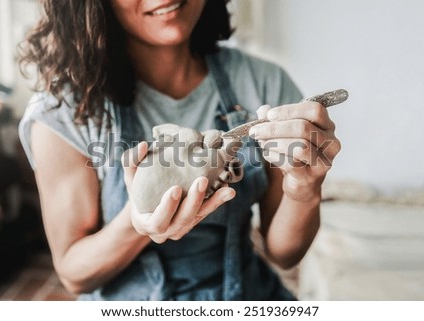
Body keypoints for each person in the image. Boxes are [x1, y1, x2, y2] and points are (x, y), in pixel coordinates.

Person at [18, 0, 340, 300]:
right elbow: (74, 275)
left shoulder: (263, 83)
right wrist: (137, 223)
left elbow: (284, 255)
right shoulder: (61, 113)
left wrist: (303, 187)